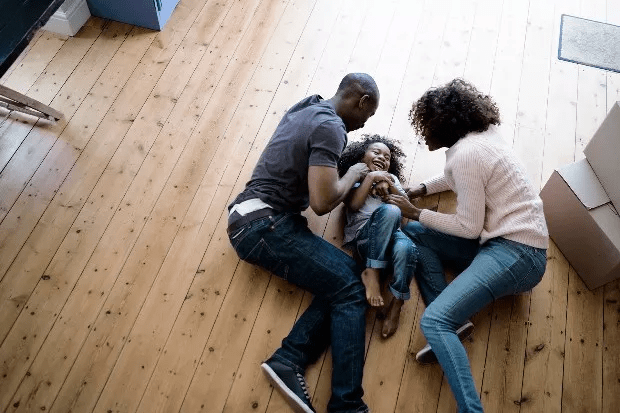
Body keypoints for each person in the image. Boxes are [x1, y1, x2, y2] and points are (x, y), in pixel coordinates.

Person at [386, 78, 548, 412]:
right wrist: (421, 189)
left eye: (426, 127)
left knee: (432, 323)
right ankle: (452, 317)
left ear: (443, 126)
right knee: (417, 234)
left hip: (519, 254)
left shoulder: (466, 155)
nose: (423, 134)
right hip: (505, 245)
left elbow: (468, 227)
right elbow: (462, 177)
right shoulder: (481, 139)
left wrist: (414, 211)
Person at [227, 73, 379, 413]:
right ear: (362, 101)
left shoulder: (306, 107)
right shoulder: (332, 126)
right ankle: (347, 406)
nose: (359, 127)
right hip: (264, 223)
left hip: (255, 219)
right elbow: (322, 202)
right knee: (353, 287)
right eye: (365, 118)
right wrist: (355, 172)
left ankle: (290, 358)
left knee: (349, 279)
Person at [337, 134, 417, 338]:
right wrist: (372, 178)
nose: (382, 157)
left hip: (391, 240)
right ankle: (371, 272)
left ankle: (397, 304)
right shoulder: (353, 178)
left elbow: (405, 204)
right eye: (376, 152)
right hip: (364, 239)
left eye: (387, 156)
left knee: (407, 247)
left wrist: (387, 182)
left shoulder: (392, 179)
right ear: (361, 156)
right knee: (391, 211)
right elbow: (354, 205)